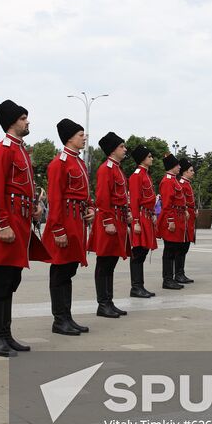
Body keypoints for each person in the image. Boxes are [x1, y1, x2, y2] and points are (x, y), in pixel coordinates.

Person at [0, 100, 50, 356]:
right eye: (24, 117)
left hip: (21, 222)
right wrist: (3, 224)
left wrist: (35, 208)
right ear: (12, 121)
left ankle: (6, 333)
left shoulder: (21, 150)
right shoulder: (2, 150)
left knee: (11, 280)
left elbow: (22, 189)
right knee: (0, 282)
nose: (28, 121)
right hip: (7, 225)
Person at [42, 119, 95, 335]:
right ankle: (59, 319)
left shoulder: (79, 162)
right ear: (70, 137)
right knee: (60, 270)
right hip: (65, 221)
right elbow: (55, 199)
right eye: (81, 134)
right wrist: (57, 229)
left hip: (77, 222)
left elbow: (85, 193)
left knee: (69, 270)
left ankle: (67, 316)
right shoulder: (59, 163)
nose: (84, 137)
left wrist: (91, 208)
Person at [88, 132, 131, 318]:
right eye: (122, 146)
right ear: (113, 150)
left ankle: (109, 301)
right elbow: (103, 197)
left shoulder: (117, 168)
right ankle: (102, 303)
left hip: (118, 218)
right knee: (104, 262)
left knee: (111, 262)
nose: (125, 149)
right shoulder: (106, 169)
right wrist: (107, 221)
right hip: (110, 219)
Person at [128, 143, 157, 298]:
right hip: (140, 216)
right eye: (149, 156)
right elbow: (134, 200)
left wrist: (152, 212)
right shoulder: (137, 176)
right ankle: (136, 287)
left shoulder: (146, 174)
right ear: (142, 159)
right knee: (138, 252)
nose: (152, 158)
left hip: (147, 215)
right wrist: (136, 222)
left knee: (143, 251)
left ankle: (140, 286)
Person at [157, 154, 187, 288]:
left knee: (174, 249)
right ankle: (167, 279)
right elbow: (167, 203)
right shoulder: (168, 181)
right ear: (172, 166)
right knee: (169, 250)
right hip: (172, 216)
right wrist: (170, 220)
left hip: (177, 215)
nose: (179, 167)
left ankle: (171, 277)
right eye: (177, 165)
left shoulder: (173, 180)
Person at [175, 158, 196, 284]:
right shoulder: (182, 184)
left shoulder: (186, 183)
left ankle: (180, 272)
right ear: (184, 172)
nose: (193, 172)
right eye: (191, 170)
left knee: (185, 246)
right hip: (185, 216)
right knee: (181, 247)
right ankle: (178, 273)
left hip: (190, 216)